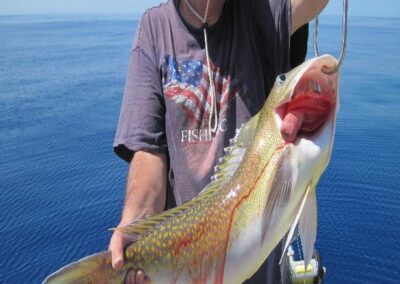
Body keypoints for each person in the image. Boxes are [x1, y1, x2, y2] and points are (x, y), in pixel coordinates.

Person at [109, 0, 328, 283]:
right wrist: (134, 223)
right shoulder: (154, 28)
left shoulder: (262, 12)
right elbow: (149, 150)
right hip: (184, 262)